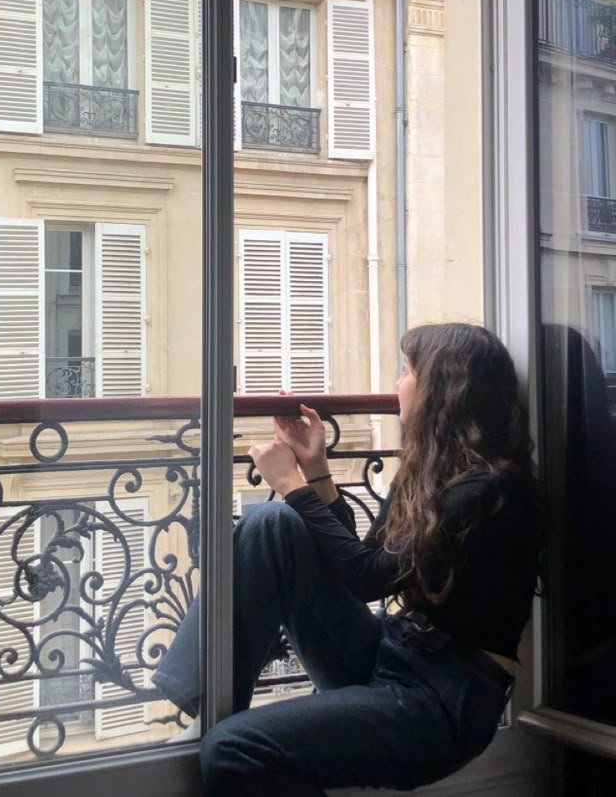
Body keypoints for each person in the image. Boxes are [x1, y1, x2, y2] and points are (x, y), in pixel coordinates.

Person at [153, 323, 544, 795]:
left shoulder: (489, 490)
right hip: (396, 652)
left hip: (441, 701)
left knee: (233, 750)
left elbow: (366, 579)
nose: (397, 384)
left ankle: (220, 731)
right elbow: (368, 557)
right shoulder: (432, 472)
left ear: (441, 389)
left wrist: (292, 486)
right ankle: (208, 704)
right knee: (272, 527)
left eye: (406, 371)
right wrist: (316, 469)